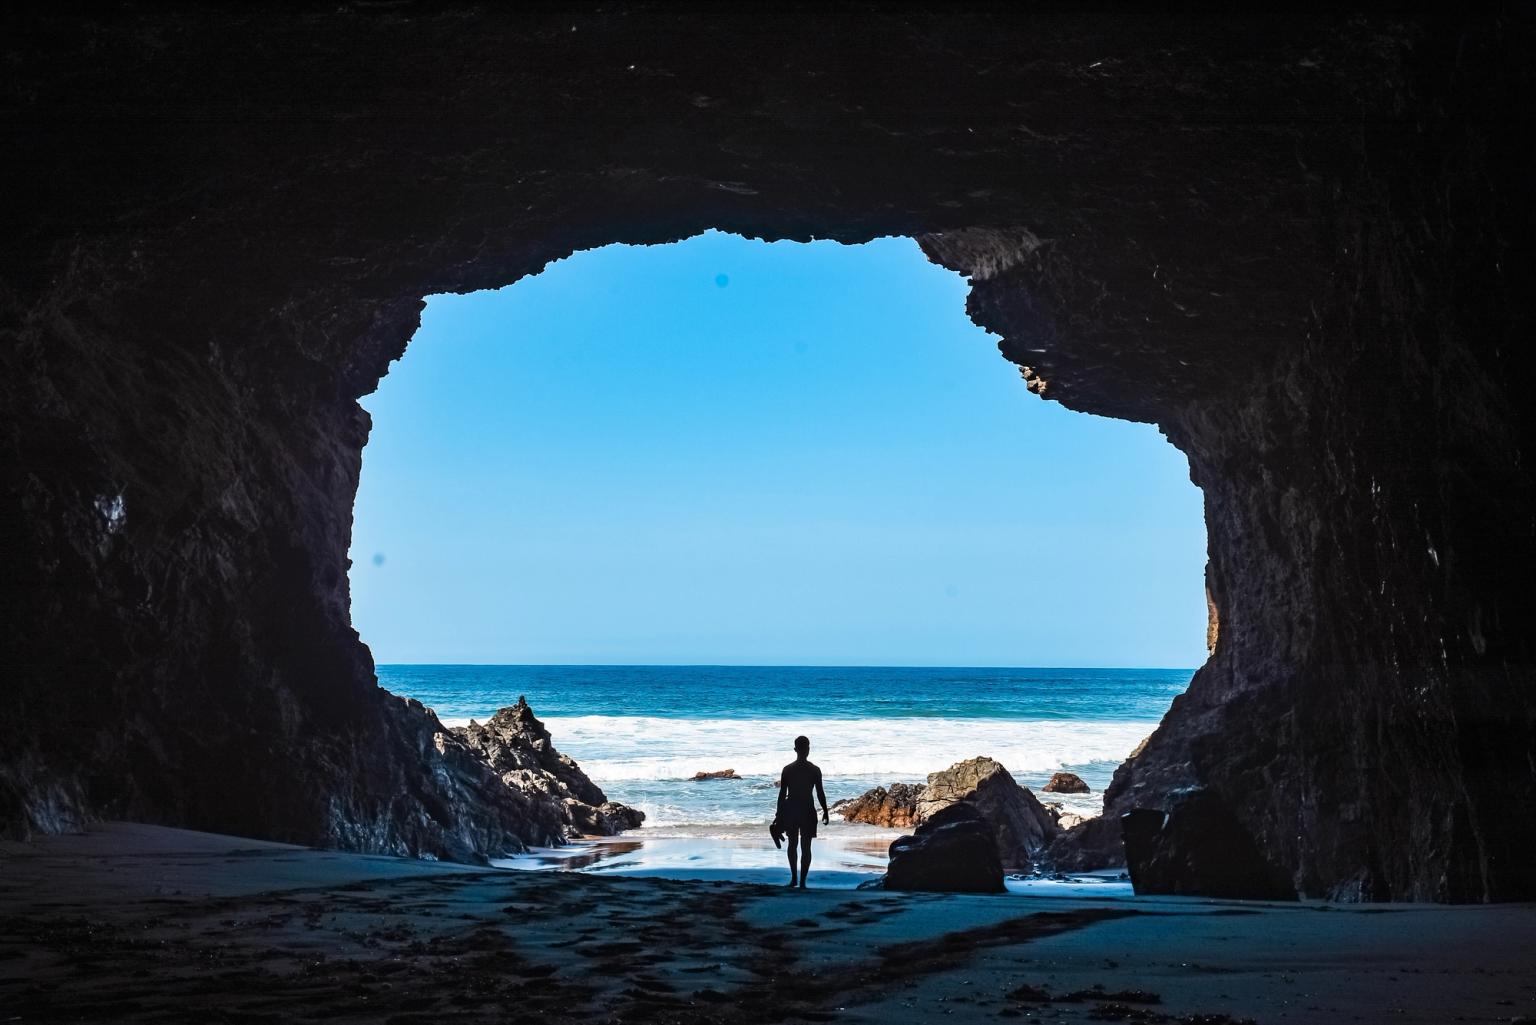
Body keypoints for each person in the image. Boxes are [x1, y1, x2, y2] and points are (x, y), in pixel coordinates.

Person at [776, 735, 828, 888]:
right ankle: (802, 882)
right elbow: (820, 793)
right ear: (808, 749)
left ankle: (794, 879)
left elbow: (782, 794)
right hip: (807, 810)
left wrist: (779, 814)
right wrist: (825, 811)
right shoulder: (814, 770)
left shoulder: (787, 769)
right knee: (806, 847)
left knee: (792, 844)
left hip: (791, 809)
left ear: (795, 749)